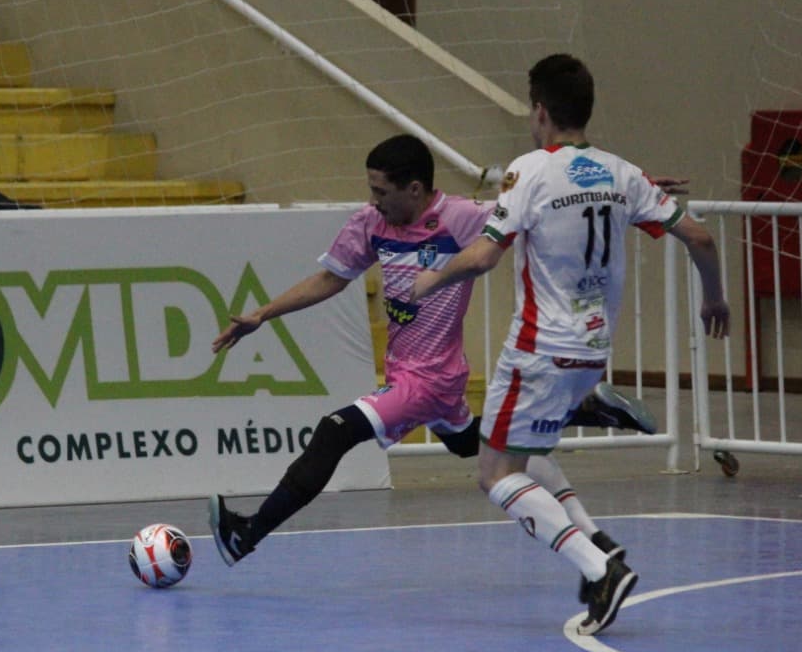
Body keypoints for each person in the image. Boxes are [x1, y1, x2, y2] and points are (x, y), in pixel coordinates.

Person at [207, 133, 663, 570]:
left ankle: (245, 536)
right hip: (422, 373)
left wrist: (629, 194)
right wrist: (263, 314)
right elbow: (331, 279)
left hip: (427, 380)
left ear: (416, 189)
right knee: (470, 443)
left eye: (381, 191)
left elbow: (547, 207)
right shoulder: (372, 224)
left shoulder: (463, 218)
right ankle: (587, 412)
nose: (373, 201)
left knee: (334, 432)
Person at [409, 54, 731, 636]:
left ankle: (597, 567)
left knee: (495, 473)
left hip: (539, 348)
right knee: (531, 454)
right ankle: (598, 541)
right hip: (592, 350)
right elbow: (701, 237)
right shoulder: (624, 173)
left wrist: (430, 280)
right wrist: (714, 299)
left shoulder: (528, 170)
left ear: (539, 112)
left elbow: (484, 254)